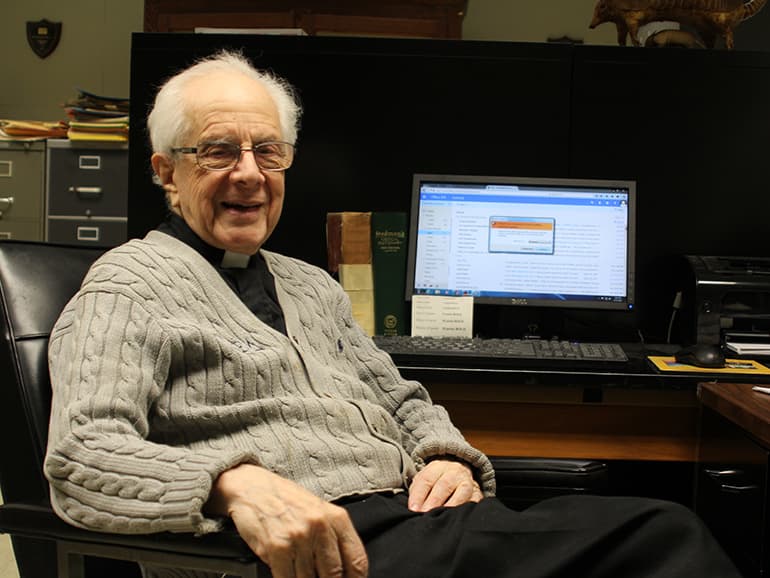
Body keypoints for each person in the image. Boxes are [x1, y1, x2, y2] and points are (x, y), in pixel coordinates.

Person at [44, 49, 740, 578]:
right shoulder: (128, 285)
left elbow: (403, 397)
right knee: (666, 537)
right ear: (167, 172)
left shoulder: (310, 285)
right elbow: (81, 459)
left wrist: (446, 456)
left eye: (268, 151)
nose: (250, 173)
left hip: (416, 521)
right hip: (321, 549)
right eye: (219, 151)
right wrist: (231, 483)